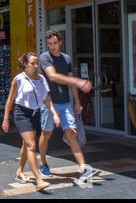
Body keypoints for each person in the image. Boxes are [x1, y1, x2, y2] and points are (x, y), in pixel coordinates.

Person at [38, 30, 98, 182]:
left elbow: (71, 83)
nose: (52, 46)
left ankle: (83, 167)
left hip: (65, 102)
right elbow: (52, 76)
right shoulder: (45, 57)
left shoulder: (66, 59)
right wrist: (77, 81)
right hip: (49, 102)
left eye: (55, 43)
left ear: (61, 42)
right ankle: (43, 163)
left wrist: (77, 102)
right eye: (50, 44)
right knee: (47, 134)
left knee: (72, 133)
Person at [2, 52, 61, 191]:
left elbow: (46, 99)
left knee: (26, 145)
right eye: (32, 63)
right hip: (22, 114)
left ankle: (19, 171)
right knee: (31, 145)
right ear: (25, 64)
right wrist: (5, 119)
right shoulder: (19, 79)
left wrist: (54, 113)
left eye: (36, 63)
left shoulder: (41, 79)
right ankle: (39, 180)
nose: (35, 66)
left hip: (36, 114)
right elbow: (10, 100)